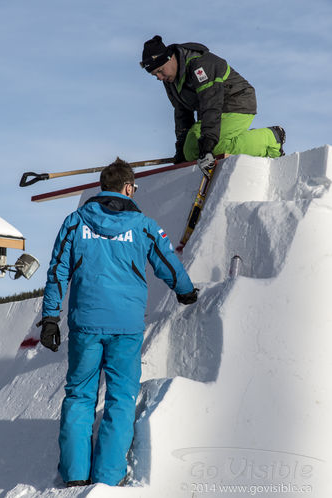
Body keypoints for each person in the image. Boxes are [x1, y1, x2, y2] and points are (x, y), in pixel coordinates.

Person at [39, 158, 198, 487]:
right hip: (126, 327)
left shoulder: (75, 222)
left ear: (102, 187)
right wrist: (186, 292)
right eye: (134, 187)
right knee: (120, 397)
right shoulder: (144, 226)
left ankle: (75, 475)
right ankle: (109, 476)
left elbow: (57, 271)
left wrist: (50, 318)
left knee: (80, 397)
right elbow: (168, 261)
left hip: (85, 324)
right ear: (128, 188)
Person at [140, 35, 286, 176]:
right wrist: (181, 151)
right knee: (191, 149)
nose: (159, 77)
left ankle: (271, 138)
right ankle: (245, 138)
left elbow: (211, 103)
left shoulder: (199, 65)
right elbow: (181, 112)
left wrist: (208, 144)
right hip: (215, 111)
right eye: (155, 75)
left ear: (170, 58)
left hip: (237, 102)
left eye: (160, 70)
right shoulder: (170, 81)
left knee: (205, 146)